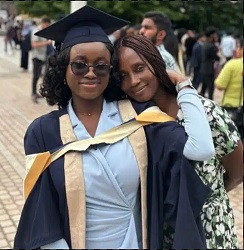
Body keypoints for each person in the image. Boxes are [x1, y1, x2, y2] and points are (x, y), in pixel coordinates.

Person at [14, 6, 212, 249]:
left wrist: (184, 86)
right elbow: (41, 214)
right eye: (79, 65)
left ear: (111, 71)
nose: (90, 73)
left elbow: (201, 149)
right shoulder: (43, 132)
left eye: (101, 66)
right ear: (63, 69)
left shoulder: (139, 119)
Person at [114, 34, 243, 249]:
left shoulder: (204, 111)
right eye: (123, 75)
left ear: (156, 65)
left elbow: (237, 169)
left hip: (209, 228)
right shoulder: (132, 119)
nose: (133, 81)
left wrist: (206, 195)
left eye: (139, 68)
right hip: (163, 229)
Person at [216, 38, 243, 139]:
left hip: (233, 107)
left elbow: (219, 85)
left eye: (238, 47)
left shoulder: (233, 64)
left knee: (232, 139)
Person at [30, 16, 52, 103]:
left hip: (43, 56)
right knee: (35, 76)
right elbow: (34, 45)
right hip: (37, 57)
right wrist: (47, 43)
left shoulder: (44, 32)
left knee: (41, 75)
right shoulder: (36, 31)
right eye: (47, 25)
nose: (47, 27)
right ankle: (33, 94)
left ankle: (37, 92)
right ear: (44, 23)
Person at [200, 27, 220, 100]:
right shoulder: (212, 46)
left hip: (203, 69)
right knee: (210, 89)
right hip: (209, 70)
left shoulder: (205, 44)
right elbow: (217, 57)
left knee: (203, 88)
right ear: (212, 35)